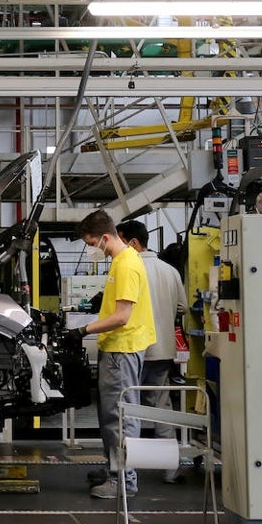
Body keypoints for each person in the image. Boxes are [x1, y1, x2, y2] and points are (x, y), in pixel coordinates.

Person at [73, 209, 156, 500]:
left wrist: (84, 330)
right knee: (110, 415)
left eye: (92, 244)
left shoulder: (125, 265)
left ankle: (124, 480)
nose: (92, 250)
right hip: (117, 347)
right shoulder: (120, 261)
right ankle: (114, 468)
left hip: (123, 348)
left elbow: (122, 316)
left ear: (106, 237)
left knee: (120, 418)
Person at [115, 220, 188, 484]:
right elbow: (182, 307)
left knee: (127, 409)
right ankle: (171, 470)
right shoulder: (169, 271)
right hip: (163, 350)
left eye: (119, 240)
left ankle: (125, 472)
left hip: (133, 349)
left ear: (133, 243)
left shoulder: (127, 268)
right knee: (161, 407)